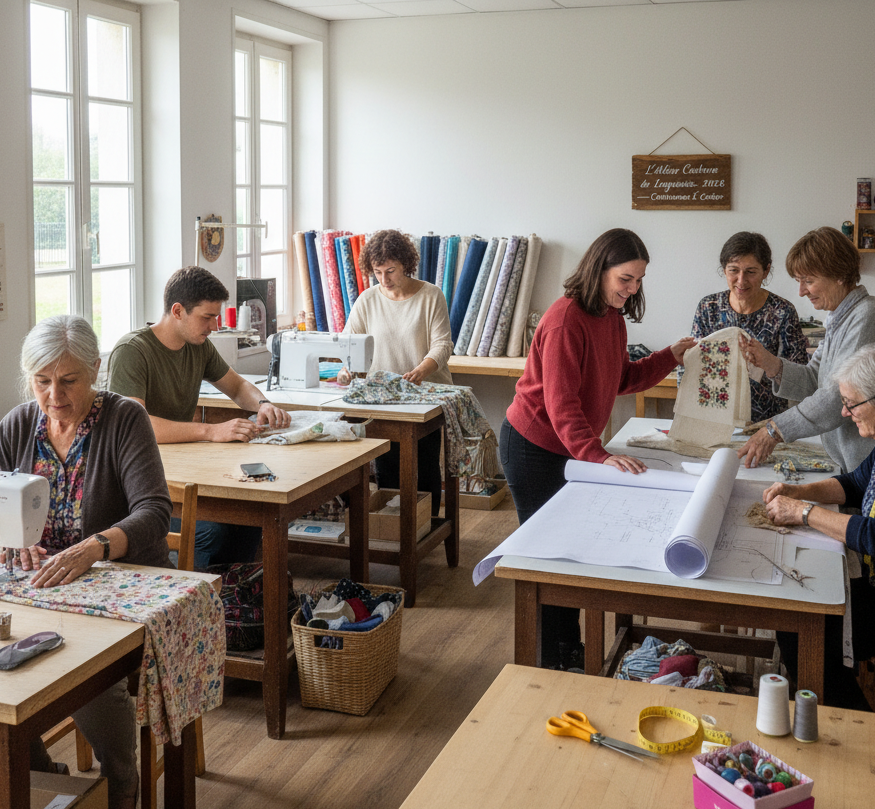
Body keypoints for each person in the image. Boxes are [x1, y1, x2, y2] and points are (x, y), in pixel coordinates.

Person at [0, 315, 174, 809]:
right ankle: (43, 779)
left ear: (95, 370)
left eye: (68, 380)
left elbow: (154, 513)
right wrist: (2, 540)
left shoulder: (124, 420)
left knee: (83, 673)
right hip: (36, 588)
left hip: (111, 584)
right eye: (42, 381)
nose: (54, 395)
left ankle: (120, 780)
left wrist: (94, 547)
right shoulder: (19, 424)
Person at [499, 228, 696, 671]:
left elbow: (620, 378)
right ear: (599, 268)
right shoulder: (565, 319)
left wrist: (671, 356)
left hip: (565, 447)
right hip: (533, 448)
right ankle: (554, 662)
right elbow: (561, 404)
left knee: (569, 554)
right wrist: (599, 456)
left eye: (639, 280)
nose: (632, 289)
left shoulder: (611, 316)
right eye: (625, 279)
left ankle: (570, 653)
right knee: (549, 561)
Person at [762, 343, 875, 709]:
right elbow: (853, 483)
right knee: (796, 607)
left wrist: (803, 512)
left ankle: (860, 743)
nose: (846, 413)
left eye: (852, 403)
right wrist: (797, 490)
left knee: (803, 628)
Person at [106, 266, 291, 567]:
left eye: (216, 317)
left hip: (179, 470)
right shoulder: (133, 351)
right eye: (207, 317)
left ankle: (229, 599)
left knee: (253, 517)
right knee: (210, 531)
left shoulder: (199, 347)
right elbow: (136, 428)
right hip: (139, 484)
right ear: (177, 311)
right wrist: (211, 431)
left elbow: (238, 385)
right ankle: (188, 599)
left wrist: (263, 404)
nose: (214, 326)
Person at [737, 225, 875, 472]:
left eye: (808, 280)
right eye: (799, 281)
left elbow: (836, 397)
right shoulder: (841, 318)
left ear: (838, 274)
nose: (801, 291)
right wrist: (769, 363)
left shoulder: (867, 318)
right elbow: (814, 378)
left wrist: (774, 430)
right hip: (851, 462)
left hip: (873, 463)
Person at [336, 229, 453, 515]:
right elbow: (350, 341)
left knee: (424, 465)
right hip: (383, 397)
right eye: (377, 272)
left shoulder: (430, 295)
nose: (384, 280)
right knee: (386, 464)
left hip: (424, 393)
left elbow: (443, 344)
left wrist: (422, 370)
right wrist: (346, 368)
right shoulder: (368, 299)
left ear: (406, 265)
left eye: (391, 271)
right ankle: (391, 525)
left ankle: (426, 524)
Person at [688, 231, 807, 423]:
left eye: (751, 272)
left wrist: (767, 362)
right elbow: (694, 365)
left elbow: (800, 378)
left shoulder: (782, 312)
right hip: (715, 418)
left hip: (767, 425)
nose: (741, 280)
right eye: (733, 270)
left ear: (766, 271)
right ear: (724, 269)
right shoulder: (708, 307)